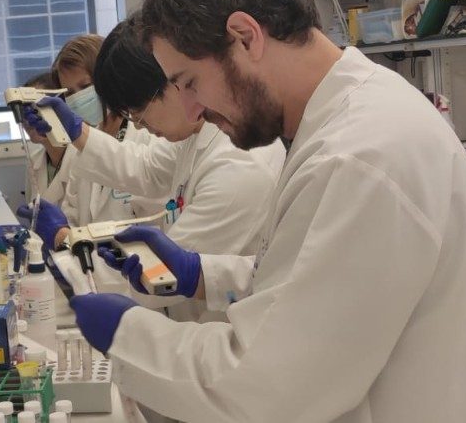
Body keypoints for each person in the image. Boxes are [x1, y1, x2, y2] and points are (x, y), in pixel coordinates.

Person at [66, 0, 466, 422]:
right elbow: (323, 284)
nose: (192, 107)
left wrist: (127, 334)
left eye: (189, 82)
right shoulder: (342, 118)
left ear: (245, 37)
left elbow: (269, 385)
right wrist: (206, 277)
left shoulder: (359, 154)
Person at [22, 17, 284, 324]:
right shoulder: (195, 137)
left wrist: (65, 249)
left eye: (139, 111)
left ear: (173, 83)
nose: (138, 123)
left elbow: (166, 272)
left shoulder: (239, 167)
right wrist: (79, 131)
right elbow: (143, 168)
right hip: (187, 323)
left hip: (224, 331)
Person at [47, 34, 164, 227]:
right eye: (69, 93)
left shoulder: (148, 135)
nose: (78, 98)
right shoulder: (79, 147)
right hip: (89, 256)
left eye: (85, 87)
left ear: (106, 78)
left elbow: (159, 214)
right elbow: (72, 216)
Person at [21, 72, 70, 205]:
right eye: (24, 109)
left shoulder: (82, 159)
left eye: (36, 108)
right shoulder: (34, 161)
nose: (28, 118)